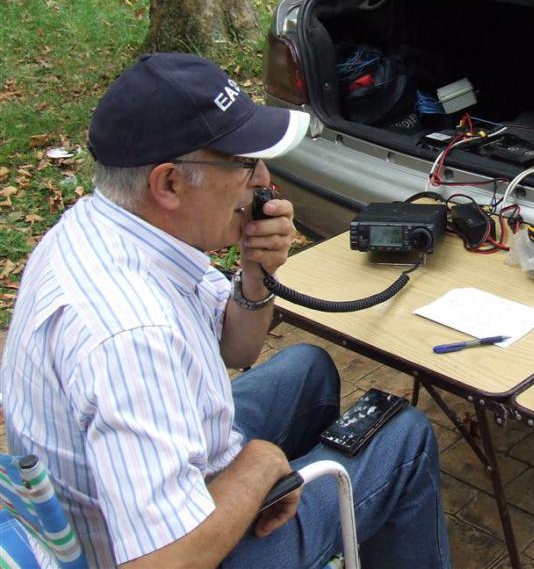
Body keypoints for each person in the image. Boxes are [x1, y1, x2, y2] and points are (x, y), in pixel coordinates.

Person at [0, 53, 450, 569]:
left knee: (309, 368)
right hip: (174, 551)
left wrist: (257, 271)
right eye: (243, 163)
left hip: (153, 481)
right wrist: (257, 469)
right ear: (169, 184)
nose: (263, 178)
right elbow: (159, 563)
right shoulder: (132, 334)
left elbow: (237, 350)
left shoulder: (106, 227)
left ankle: (303, 519)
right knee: (405, 437)